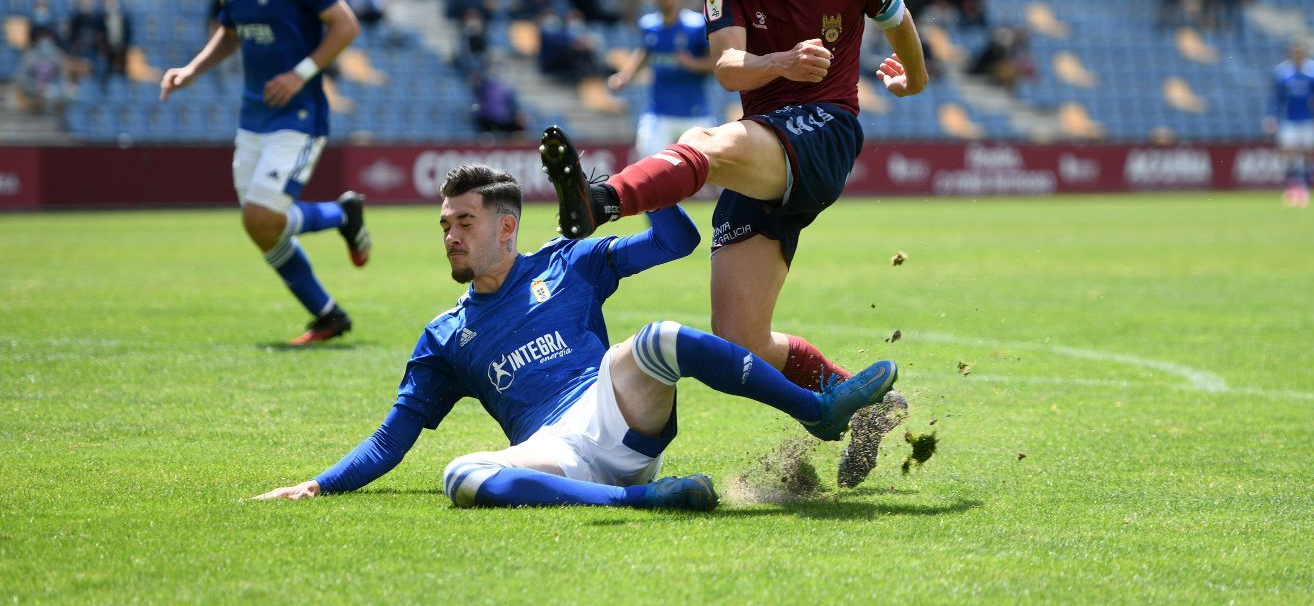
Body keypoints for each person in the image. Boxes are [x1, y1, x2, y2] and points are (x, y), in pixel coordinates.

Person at [540, 0, 928, 488]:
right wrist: (782, 61)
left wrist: (916, 76)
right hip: (765, 146)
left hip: (824, 131)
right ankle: (872, 410)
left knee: (705, 144)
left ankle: (601, 201)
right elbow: (728, 68)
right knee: (740, 339)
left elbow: (898, 19)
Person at [254, 164, 899, 509]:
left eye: (465, 222)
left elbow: (678, 241)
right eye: (445, 223)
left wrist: (626, 190)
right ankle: (640, 500)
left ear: (507, 228)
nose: (451, 235)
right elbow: (391, 438)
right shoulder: (443, 336)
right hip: (557, 457)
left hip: (617, 405)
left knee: (658, 338)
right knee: (459, 476)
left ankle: (816, 410)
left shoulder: (569, 261)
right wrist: (319, 484)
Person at [160, 0, 372, 345]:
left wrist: (300, 73)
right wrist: (191, 70)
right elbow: (230, 32)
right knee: (262, 228)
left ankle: (342, 217)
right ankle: (328, 314)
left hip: (299, 115)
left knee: (260, 218)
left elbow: (346, 25)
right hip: (253, 115)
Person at [608, 0, 715, 159]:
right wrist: (625, 77)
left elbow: (714, 64)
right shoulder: (649, 25)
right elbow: (645, 52)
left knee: (704, 174)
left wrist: (692, 63)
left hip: (694, 115)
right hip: (659, 113)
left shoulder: (696, 25)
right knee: (647, 161)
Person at [1264, 42, 1314, 207]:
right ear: (1290, 53)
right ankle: (1293, 187)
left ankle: (1306, 189)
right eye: (1295, 52)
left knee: (1308, 155)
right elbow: (1276, 97)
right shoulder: (1282, 72)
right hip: (1289, 120)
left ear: (1304, 53)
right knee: (1289, 155)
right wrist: (1272, 117)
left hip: (1309, 120)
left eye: (1300, 52)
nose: (1297, 54)